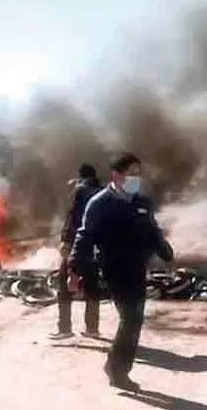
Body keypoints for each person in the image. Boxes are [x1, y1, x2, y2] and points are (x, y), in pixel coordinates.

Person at [69, 153, 174, 391]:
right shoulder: (99, 203)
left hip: (137, 266)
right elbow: (84, 237)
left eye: (138, 174)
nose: (136, 179)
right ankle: (117, 370)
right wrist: (74, 271)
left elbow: (153, 232)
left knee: (135, 320)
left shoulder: (142, 203)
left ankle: (116, 366)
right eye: (131, 174)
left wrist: (167, 255)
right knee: (130, 317)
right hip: (113, 268)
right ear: (116, 175)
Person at [51, 163, 103, 340]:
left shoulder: (80, 191)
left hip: (77, 245)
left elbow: (72, 218)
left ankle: (64, 329)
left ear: (82, 177)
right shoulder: (104, 193)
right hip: (96, 248)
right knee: (91, 287)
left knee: (64, 286)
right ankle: (92, 328)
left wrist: (66, 240)